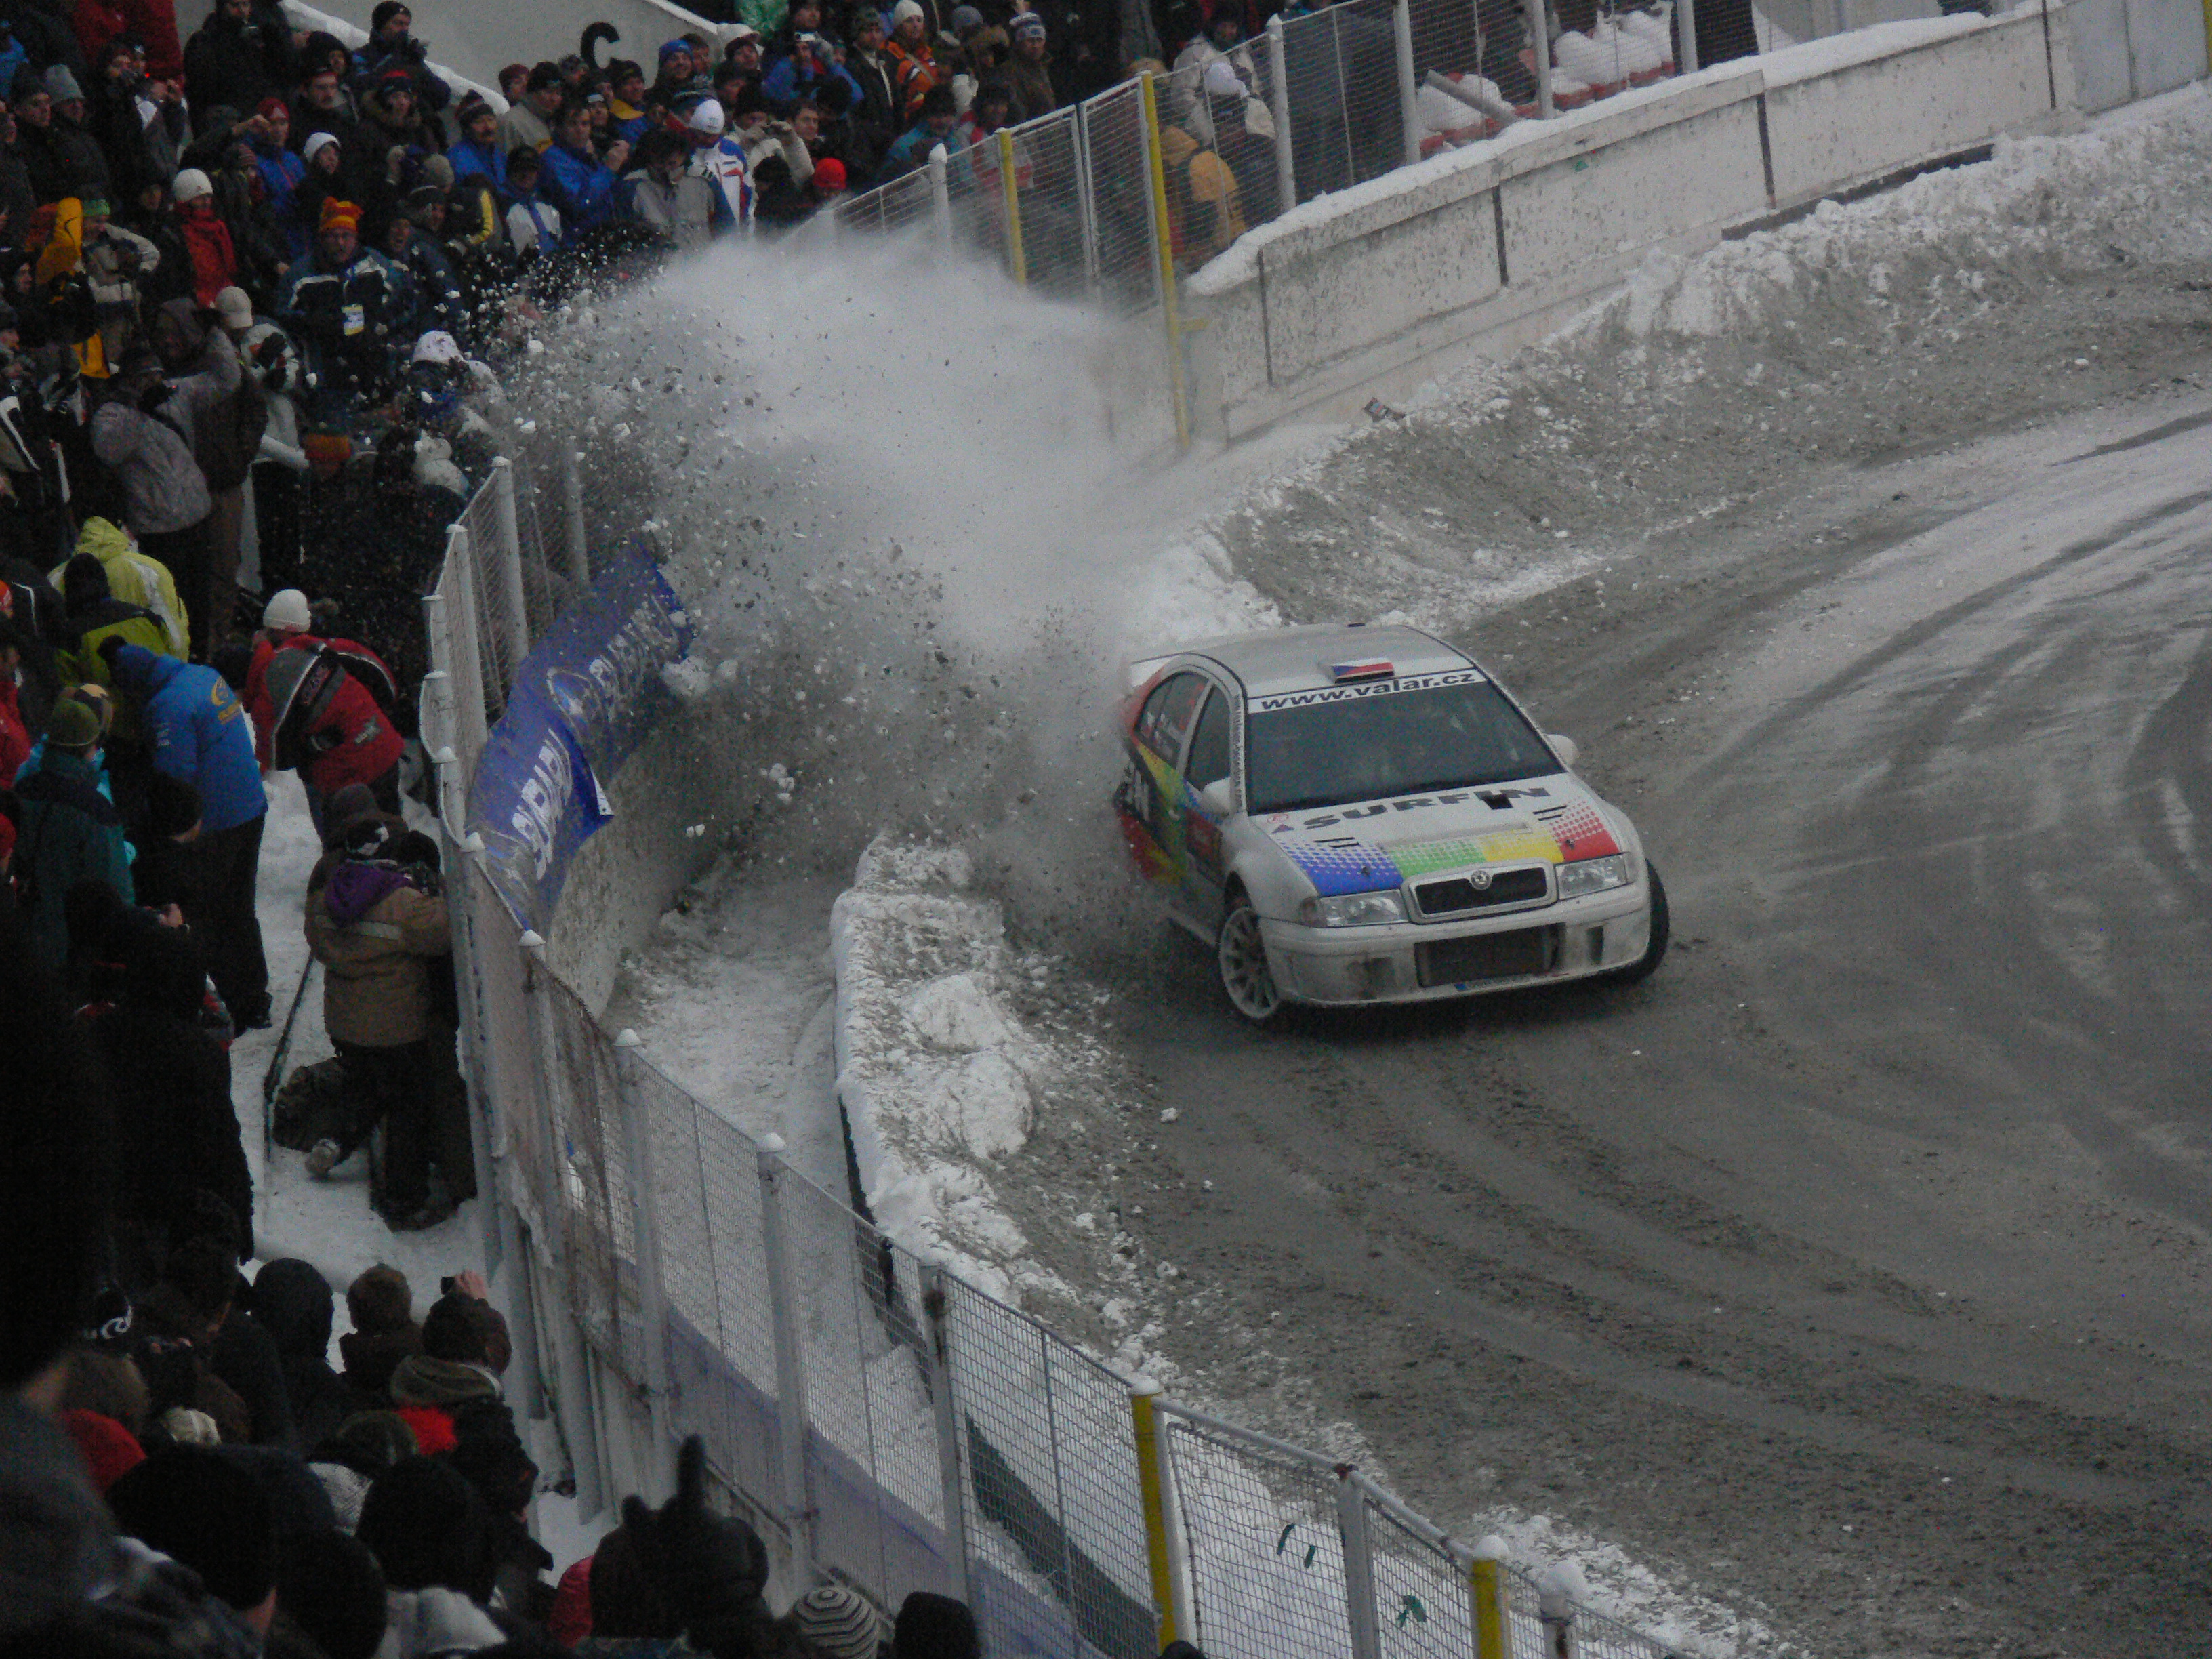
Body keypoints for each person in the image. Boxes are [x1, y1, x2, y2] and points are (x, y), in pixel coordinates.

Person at [104, 638, 270, 1027]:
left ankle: (216, 1001)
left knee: (204, 914)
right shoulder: (203, 675)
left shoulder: (168, 707)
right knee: (239, 906)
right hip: (250, 808)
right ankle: (253, 997)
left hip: (214, 823)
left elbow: (172, 782)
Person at [303, 807, 453, 1228]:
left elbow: (318, 943)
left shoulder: (323, 900)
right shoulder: (405, 905)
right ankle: (405, 1199)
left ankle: (336, 1140)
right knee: (408, 1107)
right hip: (398, 1030)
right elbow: (444, 935)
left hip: (346, 1025)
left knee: (364, 1087)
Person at [244, 586, 403, 836]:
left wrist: (310, 748)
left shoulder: (274, 676)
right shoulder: (333, 650)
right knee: (393, 835)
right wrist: (372, 717)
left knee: (341, 845)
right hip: (381, 752)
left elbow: (277, 755)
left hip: (336, 777)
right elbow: (382, 679)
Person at [90, 347, 216, 655]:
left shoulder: (172, 398)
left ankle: (201, 656)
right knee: (170, 603)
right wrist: (138, 409)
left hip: (196, 518)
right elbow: (107, 449)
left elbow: (225, 379)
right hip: (160, 531)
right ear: (131, 382)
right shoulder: (114, 412)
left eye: (157, 377)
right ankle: (177, 658)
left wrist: (211, 335)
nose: (154, 385)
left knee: (200, 600)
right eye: (146, 379)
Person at [11, 692, 131, 969]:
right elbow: (116, 889)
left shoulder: (23, 790)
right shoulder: (95, 810)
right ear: (89, 747)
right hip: (76, 948)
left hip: (24, 933)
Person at [275, 197, 408, 426]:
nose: (340, 244)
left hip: (375, 369)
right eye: (333, 236)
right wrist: (318, 323)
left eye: (346, 236)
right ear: (322, 238)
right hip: (328, 377)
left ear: (356, 239)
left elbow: (403, 301)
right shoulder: (301, 277)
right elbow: (281, 316)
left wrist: (379, 324)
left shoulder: (376, 265)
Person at [183, 0, 297, 118]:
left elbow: (286, 69)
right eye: (235, 5)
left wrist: (274, 39)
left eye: (245, 4)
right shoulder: (209, 38)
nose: (241, 10)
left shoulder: (259, 33)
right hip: (228, 110)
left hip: (257, 105)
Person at [538, 96, 629, 238]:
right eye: (572, 124)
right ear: (559, 127)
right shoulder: (552, 160)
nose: (580, 130)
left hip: (601, 235)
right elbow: (581, 203)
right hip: (576, 241)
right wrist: (607, 170)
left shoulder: (585, 157)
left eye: (585, 124)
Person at [348, 2, 450, 121]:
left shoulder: (408, 57)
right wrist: (395, 57)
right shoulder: (361, 55)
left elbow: (441, 95)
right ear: (381, 25)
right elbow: (362, 86)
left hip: (407, 128)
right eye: (398, 24)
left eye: (407, 25)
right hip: (374, 123)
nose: (404, 30)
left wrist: (418, 65)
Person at [626, 126, 714, 251]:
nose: (667, 170)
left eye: (672, 164)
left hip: (701, 260)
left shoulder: (704, 181)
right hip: (657, 262)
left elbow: (725, 223)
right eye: (661, 163)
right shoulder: (633, 185)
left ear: (683, 157)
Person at [497, 62, 562, 156]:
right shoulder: (511, 123)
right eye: (549, 92)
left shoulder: (562, 121)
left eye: (559, 93)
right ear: (533, 92)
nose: (554, 99)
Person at [1004, 11, 1057, 121]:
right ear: (1018, 43)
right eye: (1029, 41)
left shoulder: (1046, 66)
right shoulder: (1011, 72)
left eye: (1039, 40)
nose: (1035, 46)